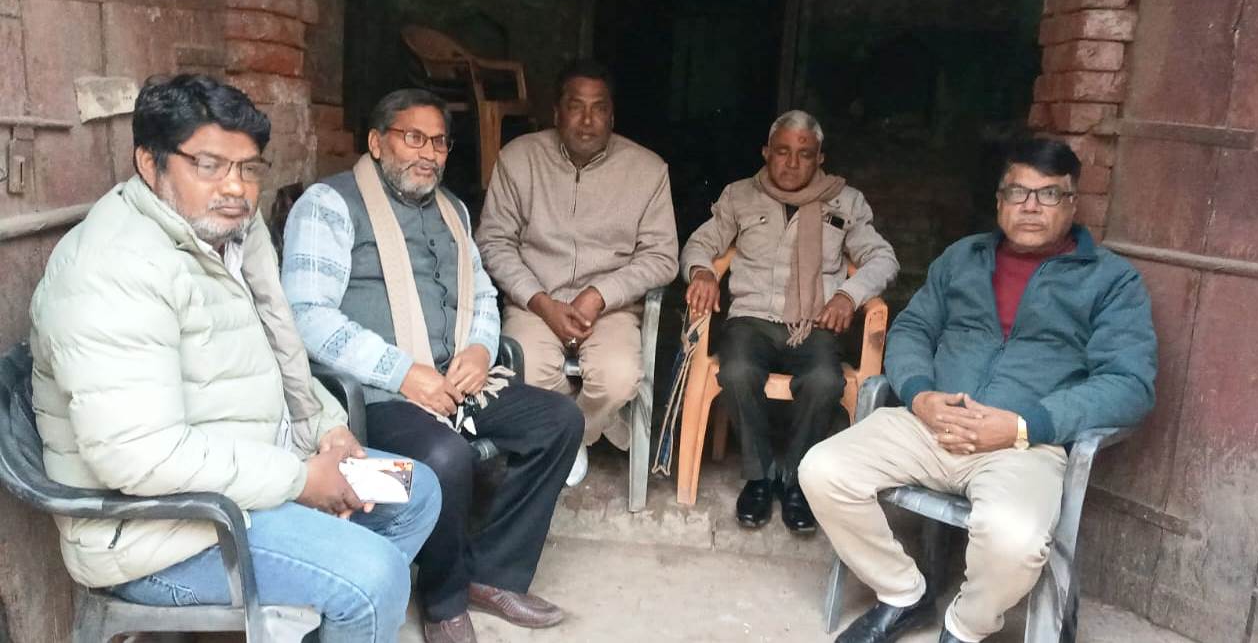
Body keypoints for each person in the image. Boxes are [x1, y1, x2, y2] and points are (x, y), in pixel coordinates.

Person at [28, 74, 440, 643]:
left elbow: (281, 346)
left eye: (248, 168)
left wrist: (329, 428)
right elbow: (138, 457)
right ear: (149, 162)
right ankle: (343, 593)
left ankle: (321, 612)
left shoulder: (230, 233)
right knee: (375, 576)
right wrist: (300, 481)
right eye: (209, 165)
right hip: (164, 533)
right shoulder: (113, 270)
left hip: (254, 469)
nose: (235, 188)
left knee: (415, 492)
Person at [798, 137, 1158, 643]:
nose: (1030, 206)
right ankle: (903, 593)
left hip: (1022, 444)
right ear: (999, 201)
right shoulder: (962, 258)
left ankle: (965, 626)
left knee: (1016, 539)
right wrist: (920, 395)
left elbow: (1129, 384)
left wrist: (1024, 424)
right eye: (1018, 192)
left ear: (1072, 203)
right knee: (822, 470)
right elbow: (913, 329)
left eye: (1048, 194)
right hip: (929, 424)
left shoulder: (1111, 281)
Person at [282, 88, 582, 643]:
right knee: (444, 456)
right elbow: (306, 317)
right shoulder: (329, 204)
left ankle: (492, 574)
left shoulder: (453, 210)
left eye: (439, 142)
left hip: (456, 380)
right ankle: (444, 598)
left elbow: (482, 295)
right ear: (377, 143)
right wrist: (402, 372)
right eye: (413, 137)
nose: (429, 153)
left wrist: (480, 350)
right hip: (376, 391)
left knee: (559, 421)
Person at [680, 110, 899, 533]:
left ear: (820, 158)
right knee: (737, 371)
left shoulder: (845, 201)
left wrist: (848, 295)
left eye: (805, 154)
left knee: (824, 381)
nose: (792, 163)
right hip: (752, 320)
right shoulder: (739, 195)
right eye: (782, 151)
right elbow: (699, 243)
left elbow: (882, 258)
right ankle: (760, 478)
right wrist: (702, 272)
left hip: (814, 325)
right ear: (766, 153)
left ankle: (796, 479)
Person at [476, 59, 678, 485]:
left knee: (618, 378)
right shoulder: (519, 159)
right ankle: (590, 429)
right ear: (556, 112)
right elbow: (493, 241)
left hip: (610, 309)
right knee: (524, 373)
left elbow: (662, 256)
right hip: (535, 302)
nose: (587, 121)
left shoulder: (648, 170)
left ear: (612, 116)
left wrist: (600, 294)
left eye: (598, 108)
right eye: (575, 106)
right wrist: (540, 301)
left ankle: (573, 437)